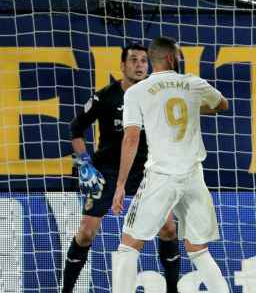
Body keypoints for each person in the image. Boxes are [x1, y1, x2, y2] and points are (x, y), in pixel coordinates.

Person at [110, 37, 229, 293]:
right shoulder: (193, 83)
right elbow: (222, 104)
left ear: (153, 61)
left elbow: (131, 138)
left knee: (129, 245)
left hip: (162, 175)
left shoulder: (137, 92)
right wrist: (193, 106)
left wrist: (120, 184)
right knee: (198, 251)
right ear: (172, 58)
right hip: (194, 176)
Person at [62, 43, 180, 293]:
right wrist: (84, 162)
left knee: (169, 228)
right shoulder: (104, 97)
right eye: (134, 60)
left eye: (144, 61)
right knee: (85, 233)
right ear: (122, 65)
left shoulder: (156, 95)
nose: (139, 65)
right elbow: (75, 128)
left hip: (146, 171)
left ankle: (172, 289)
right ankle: (66, 290)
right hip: (107, 171)